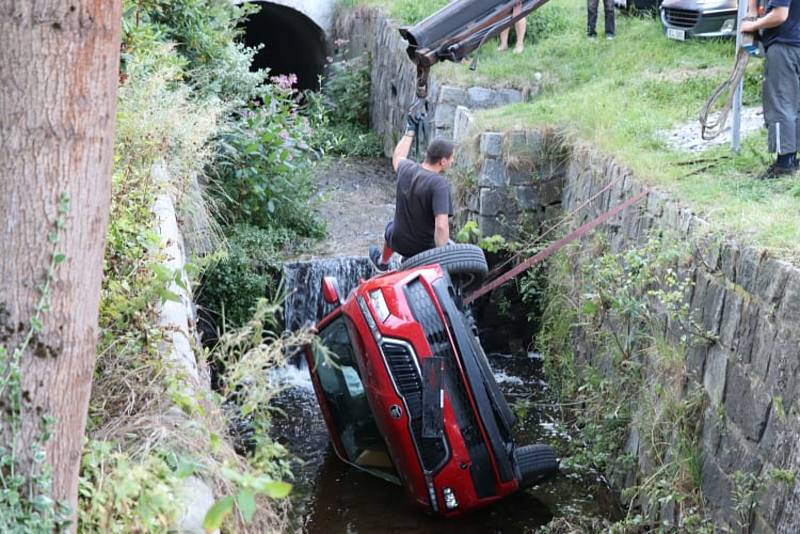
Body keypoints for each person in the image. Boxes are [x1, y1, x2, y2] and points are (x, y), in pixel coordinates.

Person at [368, 121, 455, 272]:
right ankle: (413, 261)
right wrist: (440, 259)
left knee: (391, 227)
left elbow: (398, 155)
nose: (453, 161)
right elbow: (441, 226)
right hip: (423, 252)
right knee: (449, 243)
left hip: (398, 242)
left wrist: (410, 130)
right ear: (442, 161)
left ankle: (382, 262)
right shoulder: (439, 185)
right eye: (451, 158)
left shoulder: (407, 169)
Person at [740, 0, 800, 179]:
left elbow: (780, 14)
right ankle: (793, 157)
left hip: (785, 46)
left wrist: (753, 24)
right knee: (796, 105)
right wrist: (752, 7)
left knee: (781, 104)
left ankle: (784, 164)